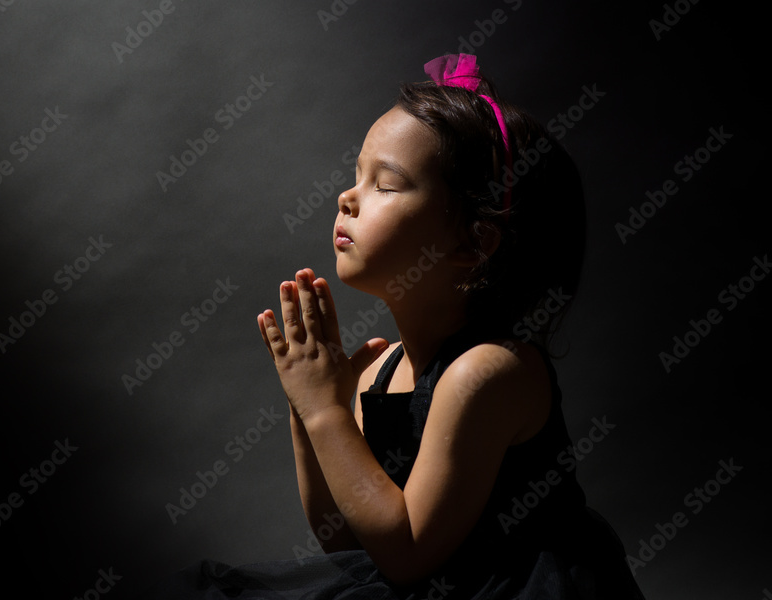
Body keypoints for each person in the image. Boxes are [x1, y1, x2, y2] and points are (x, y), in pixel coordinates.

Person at [140, 53, 645, 599]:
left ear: (472, 242)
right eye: (356, 175)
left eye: (386, 184)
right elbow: (348, 544)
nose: (347, 197)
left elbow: (406, 553)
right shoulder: (382, 370)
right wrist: (306, 406)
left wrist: (325, 409)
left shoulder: (492, 371)